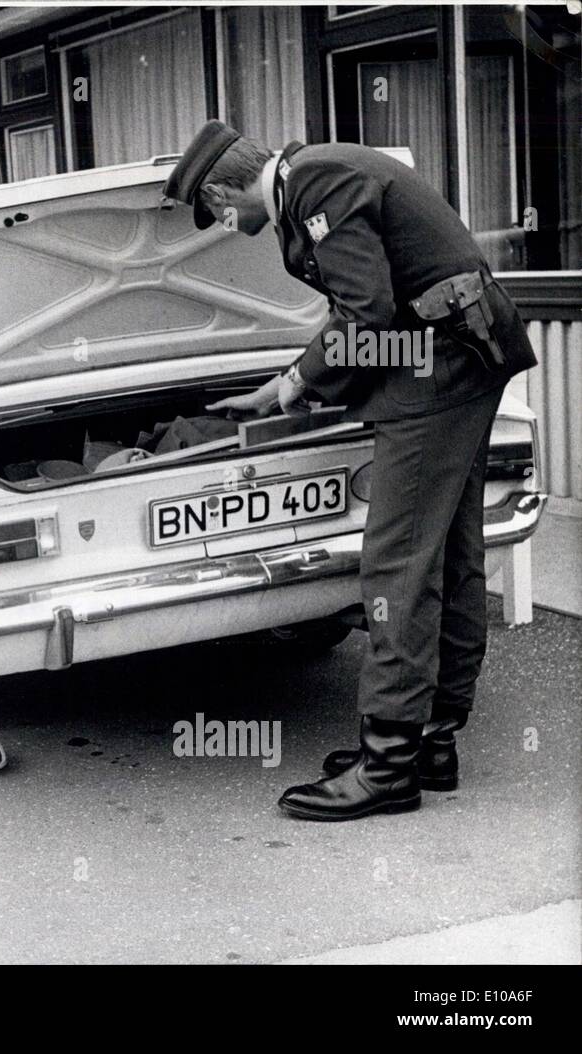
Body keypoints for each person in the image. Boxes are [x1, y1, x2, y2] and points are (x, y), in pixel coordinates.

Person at [164, 120, 536, 821]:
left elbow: (365, 314)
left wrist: (301, 379)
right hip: (455, 361)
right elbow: (367, 308)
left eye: (213, 210)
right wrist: (287, 384)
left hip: (438, 374)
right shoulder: (315, 177)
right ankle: (431, 739)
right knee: (450, 554)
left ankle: (389, 765)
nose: (222, 221)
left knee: (396, 564)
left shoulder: (314, 184)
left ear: (220, 188)